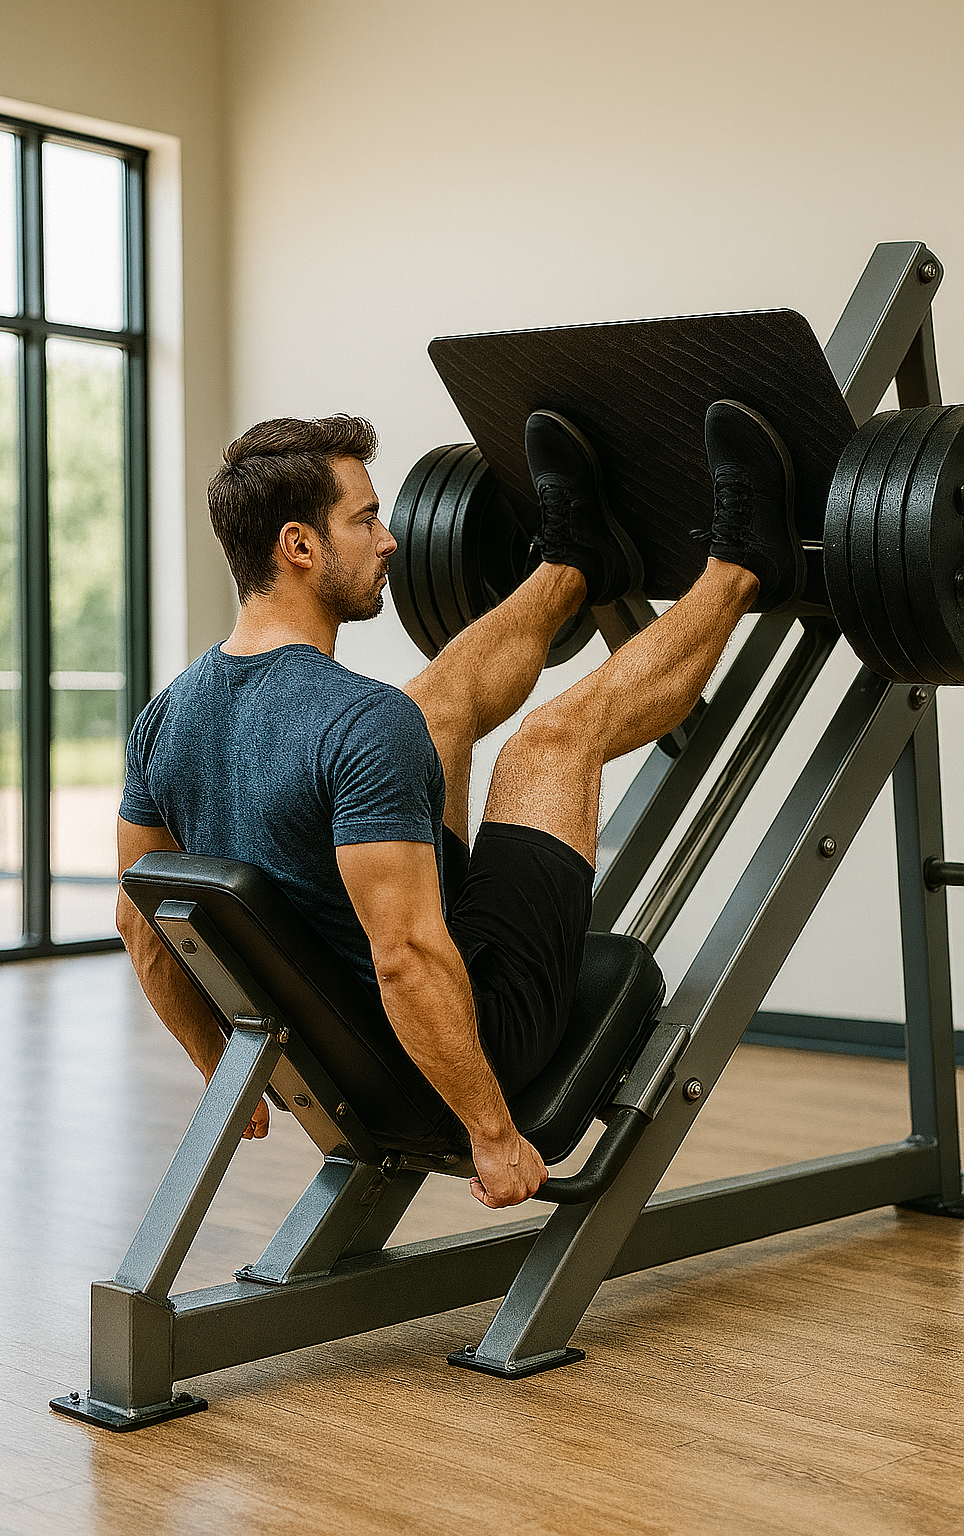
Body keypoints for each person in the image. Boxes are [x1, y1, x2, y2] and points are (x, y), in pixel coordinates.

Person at [116, 400, 804, 1209]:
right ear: (299, 547)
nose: (390, 539)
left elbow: (141, 919)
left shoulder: (166, 716)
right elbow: (406, 955)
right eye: (365, 519)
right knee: (549, 742)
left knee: (433, 703)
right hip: (473, 1038)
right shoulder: (357, 722)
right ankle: (745, 563)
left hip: (350, 1044)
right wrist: (492, 1132)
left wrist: (213, 1059)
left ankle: (572, 564)